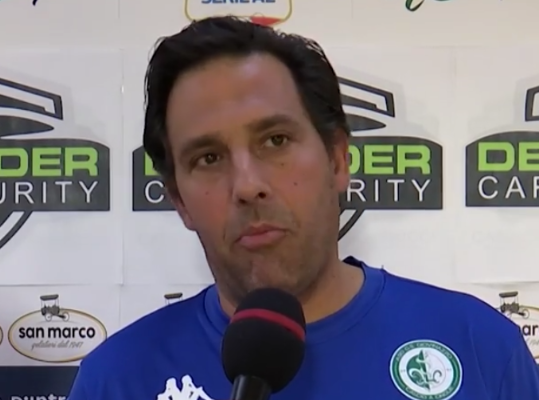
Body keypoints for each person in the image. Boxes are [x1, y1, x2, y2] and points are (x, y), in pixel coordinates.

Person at [67, 16, 539, 400]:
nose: (247, 186)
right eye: (208, 158)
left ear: (337, 160)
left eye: (275, 140)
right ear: (179, 201)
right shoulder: (116, 380)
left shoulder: (480, 348)